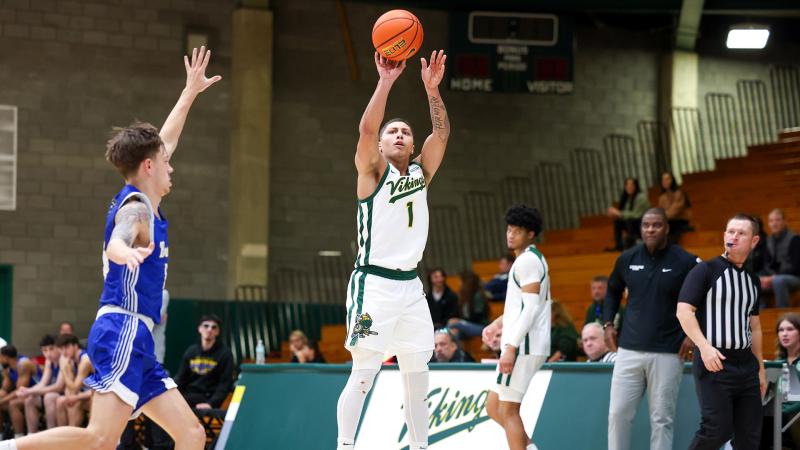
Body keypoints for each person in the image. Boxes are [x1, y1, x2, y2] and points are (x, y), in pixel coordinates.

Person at [0, 47, 219, 450]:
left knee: (190, 434)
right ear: (150, 167)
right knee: (100, 438)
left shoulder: (145, 196)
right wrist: (123, 251)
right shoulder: (136, 207)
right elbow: (122, 235)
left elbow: (165, 141)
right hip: (122, 328)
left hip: (138, 336)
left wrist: (189, 93)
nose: (172, 166)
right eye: (165, 163)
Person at [336, 49, 449, 450]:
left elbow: (443, 135)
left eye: (405, 131)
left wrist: (432, 91)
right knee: (365, 371)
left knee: (418, 373)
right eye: (392, 132)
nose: (399, 134)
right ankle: (345, 445)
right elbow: (366, 131)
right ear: (381, 146)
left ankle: (420, 446)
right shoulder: (371, 174)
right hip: (374, 285)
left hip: (410, 288)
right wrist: (386, 81)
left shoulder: (420, 172)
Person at [604, 207, 698, 450]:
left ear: (666, 228)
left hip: (667, 352)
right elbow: (612, 290)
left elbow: (705, 299)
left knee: (661, 420)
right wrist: (607, 324)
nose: (650, 229)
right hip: (628, 351)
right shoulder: (627, 258)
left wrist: (692, 335)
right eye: (646, 225)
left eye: (656, 225)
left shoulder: (685, 261)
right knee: (617, 414)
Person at [676, 213, 766, 450]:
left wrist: (761, 369)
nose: (733, 236)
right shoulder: (705, 270)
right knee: (717, 428)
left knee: (750, 435)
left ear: (754, 241)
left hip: (746, 364)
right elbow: (684, 312)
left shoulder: (753, 280)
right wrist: (704, 348)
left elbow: (754, 327)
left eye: (741, 233)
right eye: (730, 231)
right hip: (714, 361)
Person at [484, 205, 550, 450]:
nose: (510, 235)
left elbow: (531, 309)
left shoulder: (528, 262)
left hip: (524, 345)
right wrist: (497, 323)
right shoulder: (528, 259)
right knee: (493, 406)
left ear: (531, 234)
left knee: (508, 410)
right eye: (509, 230)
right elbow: (520, 307)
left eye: (518, 231)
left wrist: (510, 347)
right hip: (523, 343)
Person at [174, 315, 234, 410]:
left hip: (208, 396)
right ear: (199, 329)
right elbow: (180, 378)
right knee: (162, 405)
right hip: (189, 393)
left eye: (214, 327)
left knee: (174, 406)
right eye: (206, 326)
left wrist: (211, 403)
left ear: (217, 332)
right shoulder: (191, 351)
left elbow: (225, 384)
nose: (209, 329)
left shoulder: (225, 354)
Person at [12, 335, 63, 434]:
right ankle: (32, 435)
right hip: (53, 394)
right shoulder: (49, 362)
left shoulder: (63, 360)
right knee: (30, 399)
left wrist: (30, 390)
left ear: (58, 348)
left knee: (49, 397)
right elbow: (43, 383)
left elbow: (59, 387)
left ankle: (51, 435)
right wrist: (26, 391)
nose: (48, 353)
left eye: (51, 349)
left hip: (64, 394)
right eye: (44, 350)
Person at [759, 209, 800, 308]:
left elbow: (797, 267)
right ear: (768, 223)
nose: (774, 223)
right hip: (774, 277)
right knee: (754, 281)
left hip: (795, 277)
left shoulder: (795, 239)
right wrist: (764, 278)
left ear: (784, 222)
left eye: (777, 220)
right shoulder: (768, 241)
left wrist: (773, 277)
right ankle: (760, 313)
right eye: (771, 221)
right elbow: (766, 265)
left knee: (778, 281)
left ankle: (783, 314)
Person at [0, 346, 39, 439]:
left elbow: (19, 391)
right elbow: (4, 389)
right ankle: (1, 435)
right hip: (26, 394)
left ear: (5, 357)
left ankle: (19, 437)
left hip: (38, 393)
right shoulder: (7, 367)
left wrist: (2, 400)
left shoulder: (23, 364)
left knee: (13, 404)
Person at [54, 334, 93, 428]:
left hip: (97, 395)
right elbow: (70, 388)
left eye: (66, 348)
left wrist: (64, 369)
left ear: (75, 346)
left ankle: (72, 434)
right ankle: (62, 436)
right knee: (61, 401)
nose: (64, 352)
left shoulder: (85, 360)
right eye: (62, 349)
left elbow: (74, 388)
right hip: (87, 393)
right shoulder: (71, 360)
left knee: (74, 401)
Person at [775, 313, 800, 446]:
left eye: (790, 329)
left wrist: (782, 412)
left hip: (793, 416)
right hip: (778, 417)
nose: (784, 334)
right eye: (781, 330)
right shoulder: (777, 363)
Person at [606, 177, 650, 251]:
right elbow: (625, 214)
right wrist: (615, 215)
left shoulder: (641, 197)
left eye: (631, 185)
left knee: (630, 220)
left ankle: (635, 242)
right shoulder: (628, 199)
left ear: (636, 186)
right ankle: (619, 245)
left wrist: (619, 213)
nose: (629, 187)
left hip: (644, 224)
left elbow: (636, 215)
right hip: (633, 224)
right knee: (618, 221)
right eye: (627, 185)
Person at [447, 271, 489, 338]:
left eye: (460, 281)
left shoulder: (477, 296)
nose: (459, 283)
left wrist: (461, 321)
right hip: (468, 325)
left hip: (480, 326)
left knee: (453, 325)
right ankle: (457, 348)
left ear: (466, 283)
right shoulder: (465, 296)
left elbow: (478, 316)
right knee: (454, 332)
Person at [658, 172, 692, 241]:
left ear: (672, 180)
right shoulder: (662, 197)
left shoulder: (679, 193)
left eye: (667, 179)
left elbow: (675, 210)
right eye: (663, 180)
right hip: (669, 221)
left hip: (680, 220)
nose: (665, 182)